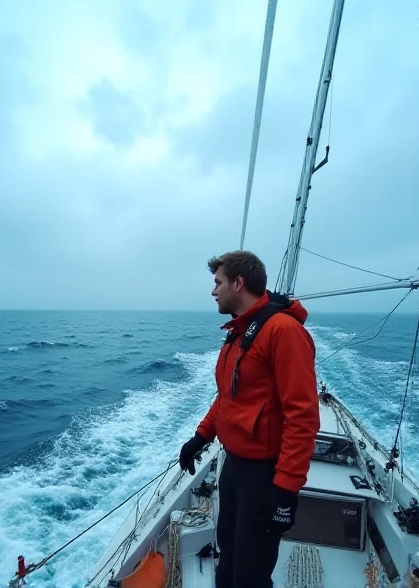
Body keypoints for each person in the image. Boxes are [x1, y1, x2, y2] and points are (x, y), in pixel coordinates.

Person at [178, 250, 320, 588]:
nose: (213, 291)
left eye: (218, 283)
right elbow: (229, 397)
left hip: (264, 475)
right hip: (234, 467)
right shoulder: (239, 334)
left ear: (238, 283)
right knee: (227, 555)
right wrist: (201, 436)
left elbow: (302, 416)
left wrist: (286, 491)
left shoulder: (283, 332)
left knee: (250, 574)